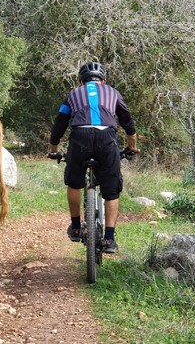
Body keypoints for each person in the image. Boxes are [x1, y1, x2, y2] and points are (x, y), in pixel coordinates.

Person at [48, 61, 139, 253]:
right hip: (107, 138)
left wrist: (53, 149)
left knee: (74, 183)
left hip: (79, 137)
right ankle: (109, 239)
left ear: (81, 81)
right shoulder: (113, 93)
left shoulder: (73, 94)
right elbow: (127, 122)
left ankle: (75, 227)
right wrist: (132, 147)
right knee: (111, 190)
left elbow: (59, 124)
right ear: (103, 81)